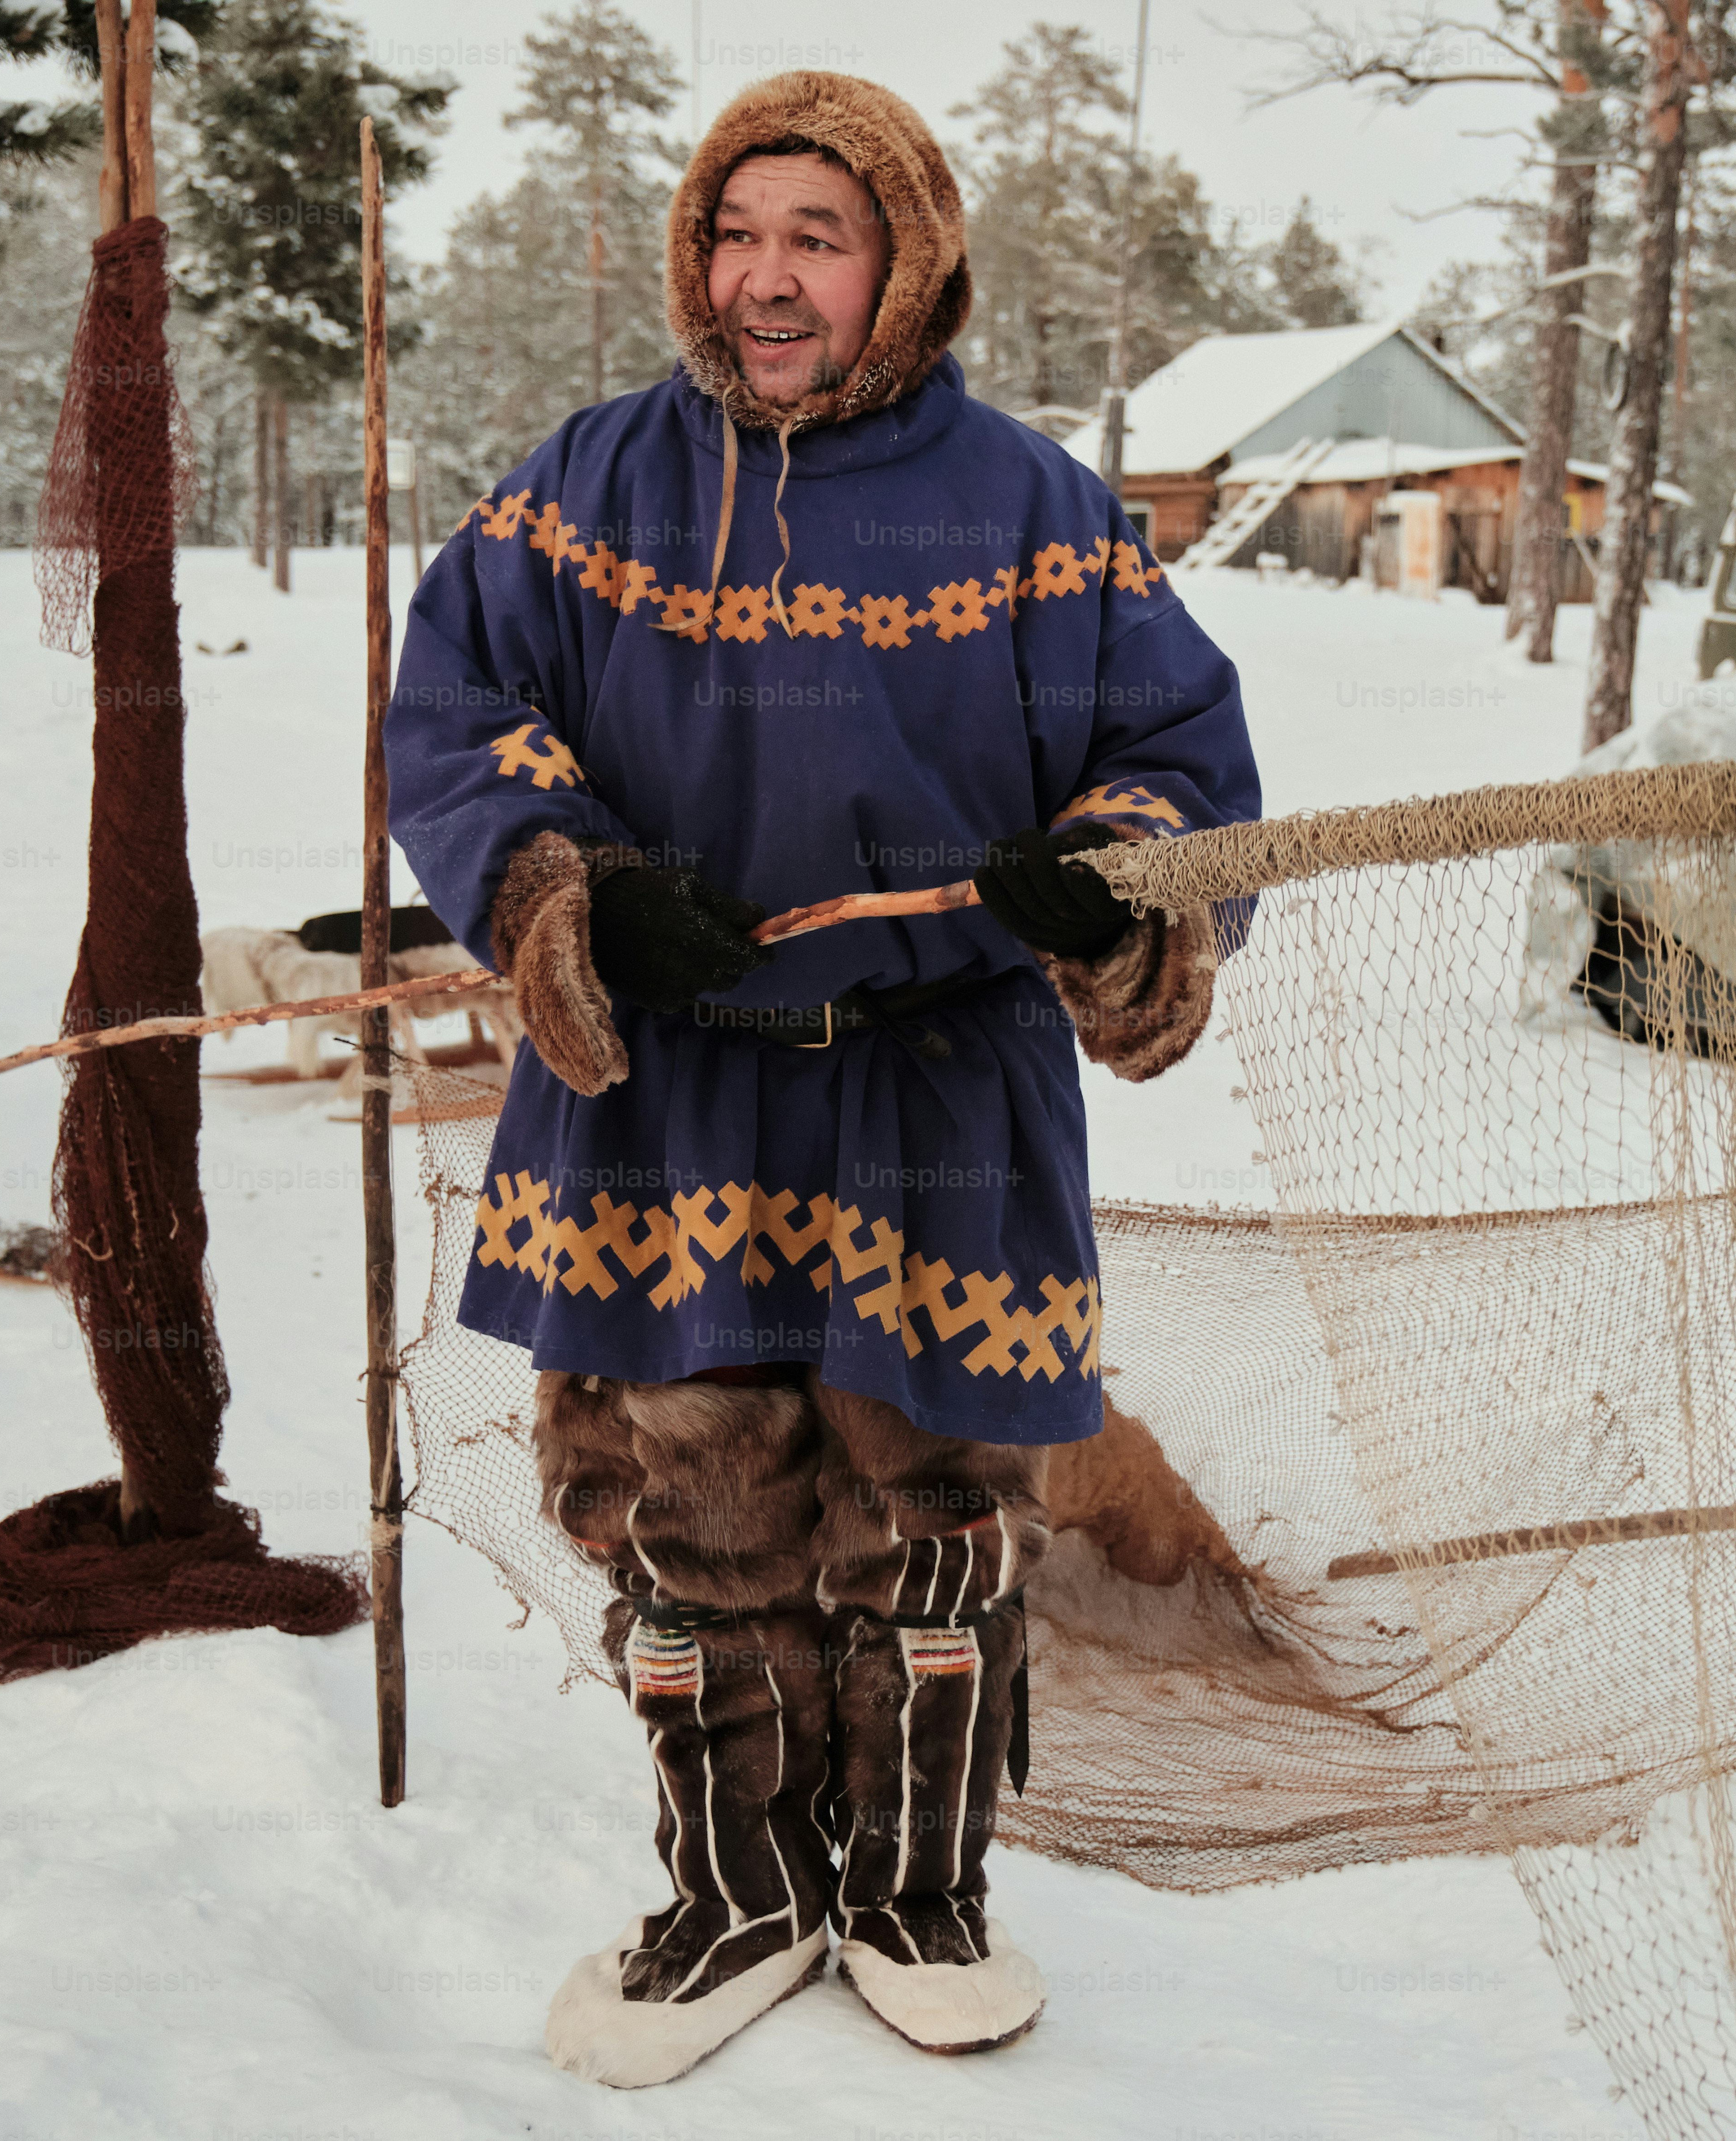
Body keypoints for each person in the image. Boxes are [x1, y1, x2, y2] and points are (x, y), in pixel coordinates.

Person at [385, 69, 1259, 2088]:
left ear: (906, 261)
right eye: (735, 232)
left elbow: (1186, 771)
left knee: (927, 1517)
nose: (764, 279)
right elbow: (455, 716)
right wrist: (578, 893)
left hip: (934, 1095)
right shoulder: (582, 490)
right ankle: (738, 1891)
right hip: (667, 1095)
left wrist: (1103, 879)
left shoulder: (1031, 510)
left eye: (817, 237)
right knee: (692, 1511)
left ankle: (918, 1889)